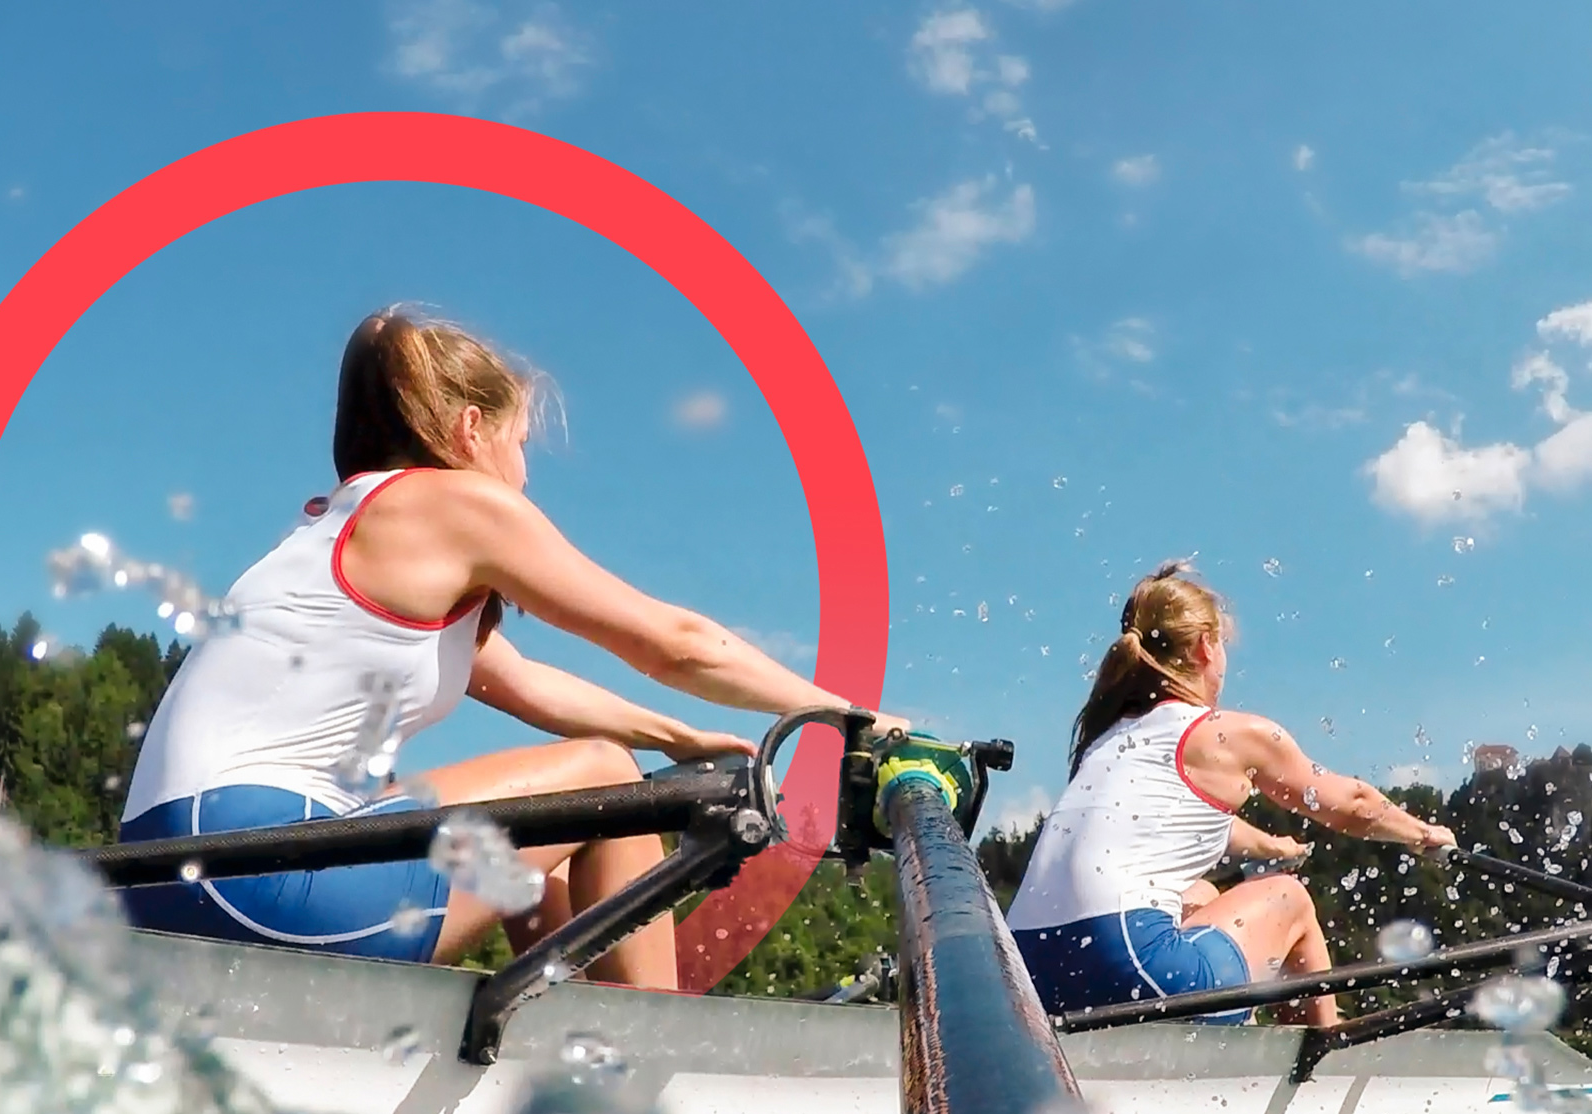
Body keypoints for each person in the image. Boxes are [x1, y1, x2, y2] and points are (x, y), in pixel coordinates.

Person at [114, 307, 870, 986]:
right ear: (471, 430)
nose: (525, 471)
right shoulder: (451, 504)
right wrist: (848, 716)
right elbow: (675, 644)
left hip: (158, 877)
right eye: (521, 442)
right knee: (606, 779)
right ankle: (657, 1061)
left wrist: (683, 737)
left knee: (537, 829)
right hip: (253, 878)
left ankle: (564, 1026)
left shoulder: (337, 529)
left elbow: (530, 684)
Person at [1004, 562, 1456, 1027]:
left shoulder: (1108, 740)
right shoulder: (1226, 733)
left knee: (1200, 893)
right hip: (1129, 970)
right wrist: (1422, 833)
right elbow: (1352, 804)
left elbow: (1196, 822)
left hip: (1023, 979)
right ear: (1205, 647)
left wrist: (1274, 846)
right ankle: (1323, 1067)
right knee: (1289, 898)